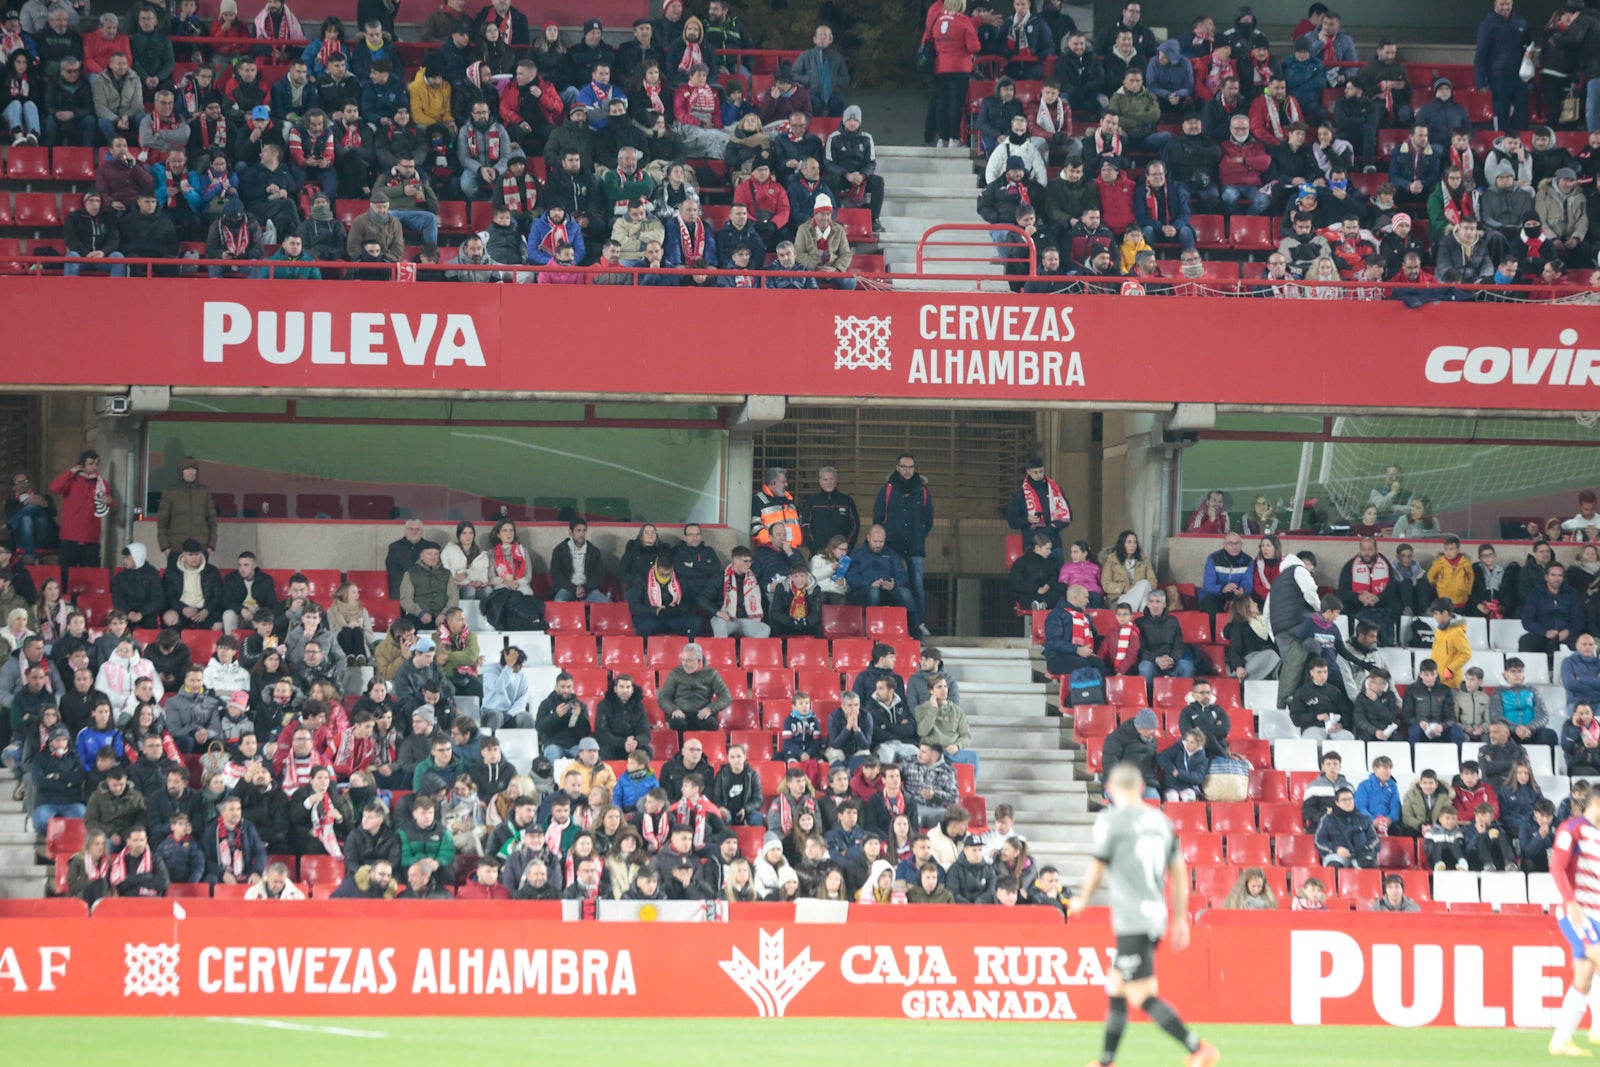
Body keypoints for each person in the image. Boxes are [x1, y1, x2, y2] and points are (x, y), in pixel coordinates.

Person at [1069, 761, 1217, 1067]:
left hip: (1133, 920)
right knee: (1117, 985)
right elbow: (1178, 872)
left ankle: (1198, 1048)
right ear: (1140, 788)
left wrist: (1082, 900)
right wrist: (1178, 920)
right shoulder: (1160, 821)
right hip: (1155, 915)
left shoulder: (1112, 821)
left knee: (1140, 994)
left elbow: (1097, 867)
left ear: (1109, 790)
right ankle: (1106, 1061)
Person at [1549, 787, 1600, 1055]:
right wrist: (1570, 900)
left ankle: (1560, 1041)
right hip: (1579, 912)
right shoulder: (1574, 828)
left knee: (1584, 977)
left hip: (1597, 915)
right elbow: (1556, 865)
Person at [872, 454, 933, 638]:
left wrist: (919, 535)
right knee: (890, 583)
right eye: (904, 466)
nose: (907, 470)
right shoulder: (887, 490)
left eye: (911, 467)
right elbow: (878, 517)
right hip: (891, 546)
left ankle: (919, 623)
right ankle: (889, 623)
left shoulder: (923, 491)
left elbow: (928, 520)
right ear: (897, 467)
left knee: (917, 584)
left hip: (915, 546)